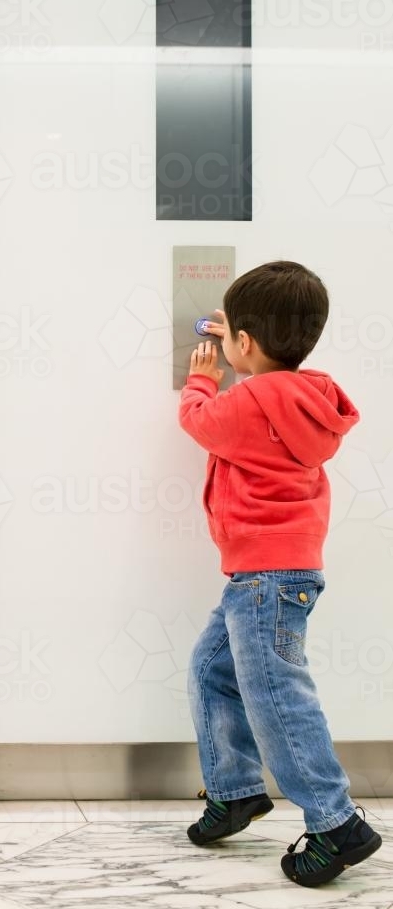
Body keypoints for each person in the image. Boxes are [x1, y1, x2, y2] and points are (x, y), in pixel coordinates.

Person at [178, 260, 382, 887]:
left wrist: (200, 380)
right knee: (213, 670)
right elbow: (264, 372)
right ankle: (236, 789)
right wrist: (241, 340)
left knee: (276, 696)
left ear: (243, 343)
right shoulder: (304, 395)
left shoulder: (247, 401)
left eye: (234, 334)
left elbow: (200, 422)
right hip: (274, 573)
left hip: (263, 577)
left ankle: (334, 823)